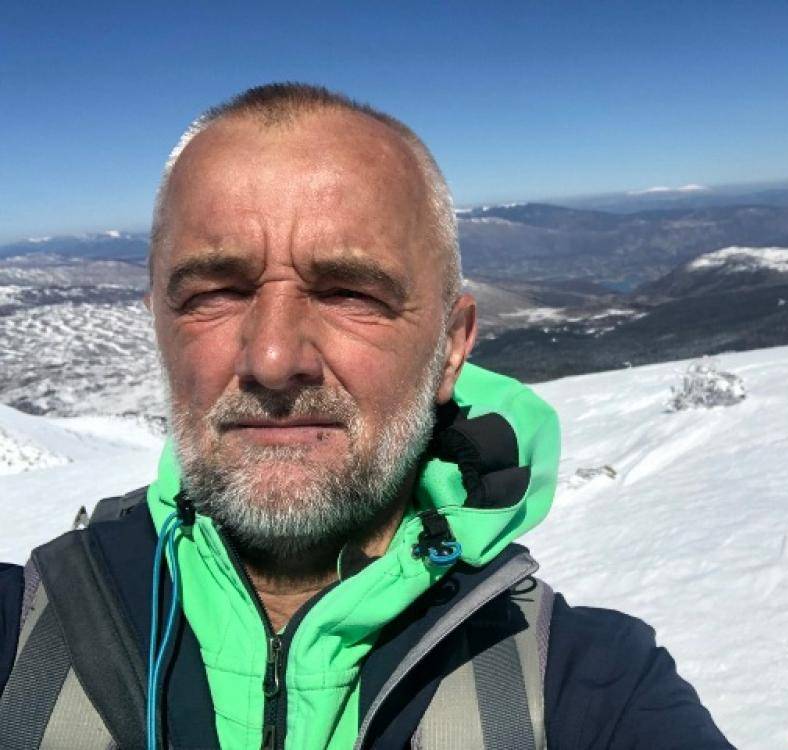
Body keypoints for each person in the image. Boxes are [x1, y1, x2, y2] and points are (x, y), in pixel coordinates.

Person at [0, 82, 734, 749]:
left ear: (450, 349)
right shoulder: (21, 640)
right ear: (160, 328)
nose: (274, 358)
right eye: (214, 293)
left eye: (350, 293)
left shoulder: (589, 691)